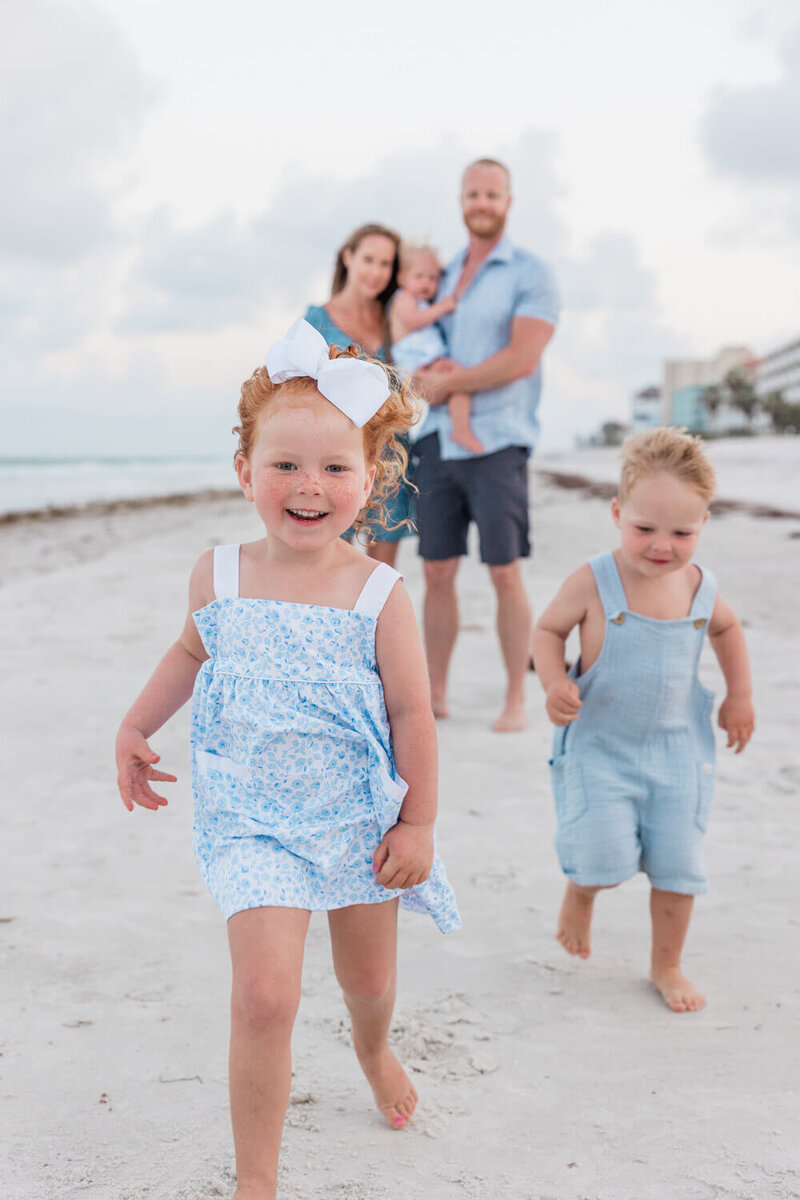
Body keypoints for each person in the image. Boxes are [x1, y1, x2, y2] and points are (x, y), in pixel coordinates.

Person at [115, 319, 460, 1200]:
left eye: (336, 469)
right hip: (253, 818)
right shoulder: (218, 574)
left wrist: (417, 819)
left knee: (369, 979)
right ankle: (256, 1183)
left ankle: (374, 1048)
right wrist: (135, 726)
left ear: (370, 481)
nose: (310, 487)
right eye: (286, 466)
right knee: (266, 995)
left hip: (357, 820)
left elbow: (411, 710)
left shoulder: (378, 590)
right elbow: (189, 656)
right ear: (245, 474)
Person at [531, 427, 755, 1013]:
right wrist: (555, 681)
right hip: (600, 749)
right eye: (645, 528)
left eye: (682, 532)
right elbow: (548, 631)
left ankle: (666, 963)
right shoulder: (595, 581)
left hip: (679, 752)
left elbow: (728, 631)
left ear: (704, 523)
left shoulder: (701, 589)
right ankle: (582, 892)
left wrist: (740, 696)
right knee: (602, 857)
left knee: (680, 869)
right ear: (616, 512)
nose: (663, 545)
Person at [412, 158, 560, 732]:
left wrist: (447, 383)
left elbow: (522, 358)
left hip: (499, 443)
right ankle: (436, 694)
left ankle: (514, 700)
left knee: (504, 572)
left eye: (492, 194)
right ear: (460, 198)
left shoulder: (531, 273)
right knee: (437, 572)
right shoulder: (442, 277)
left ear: (509, 200)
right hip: (437, 441)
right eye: (473, 193)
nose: (481, 202)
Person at [303, 223, 414, 568]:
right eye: (369, 259)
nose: (377, 272)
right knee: (329, 570)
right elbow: (299, 397)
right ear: (348, 258)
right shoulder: (316, 321)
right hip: (334, 462)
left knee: (380, 577)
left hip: (391, 459)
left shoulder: (396, 319)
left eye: (386, 264)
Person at [389, 242, 482, 454]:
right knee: (462, 381)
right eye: (419, 276)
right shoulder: (404, 298)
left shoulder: (422, 303)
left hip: (428, 362)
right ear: (402, 278)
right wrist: (442, 307)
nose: (427, 283)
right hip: (417, 364)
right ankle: (461, 429)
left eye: (433, 278)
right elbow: (413, 321)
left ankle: (459, 427)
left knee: (460, 381)